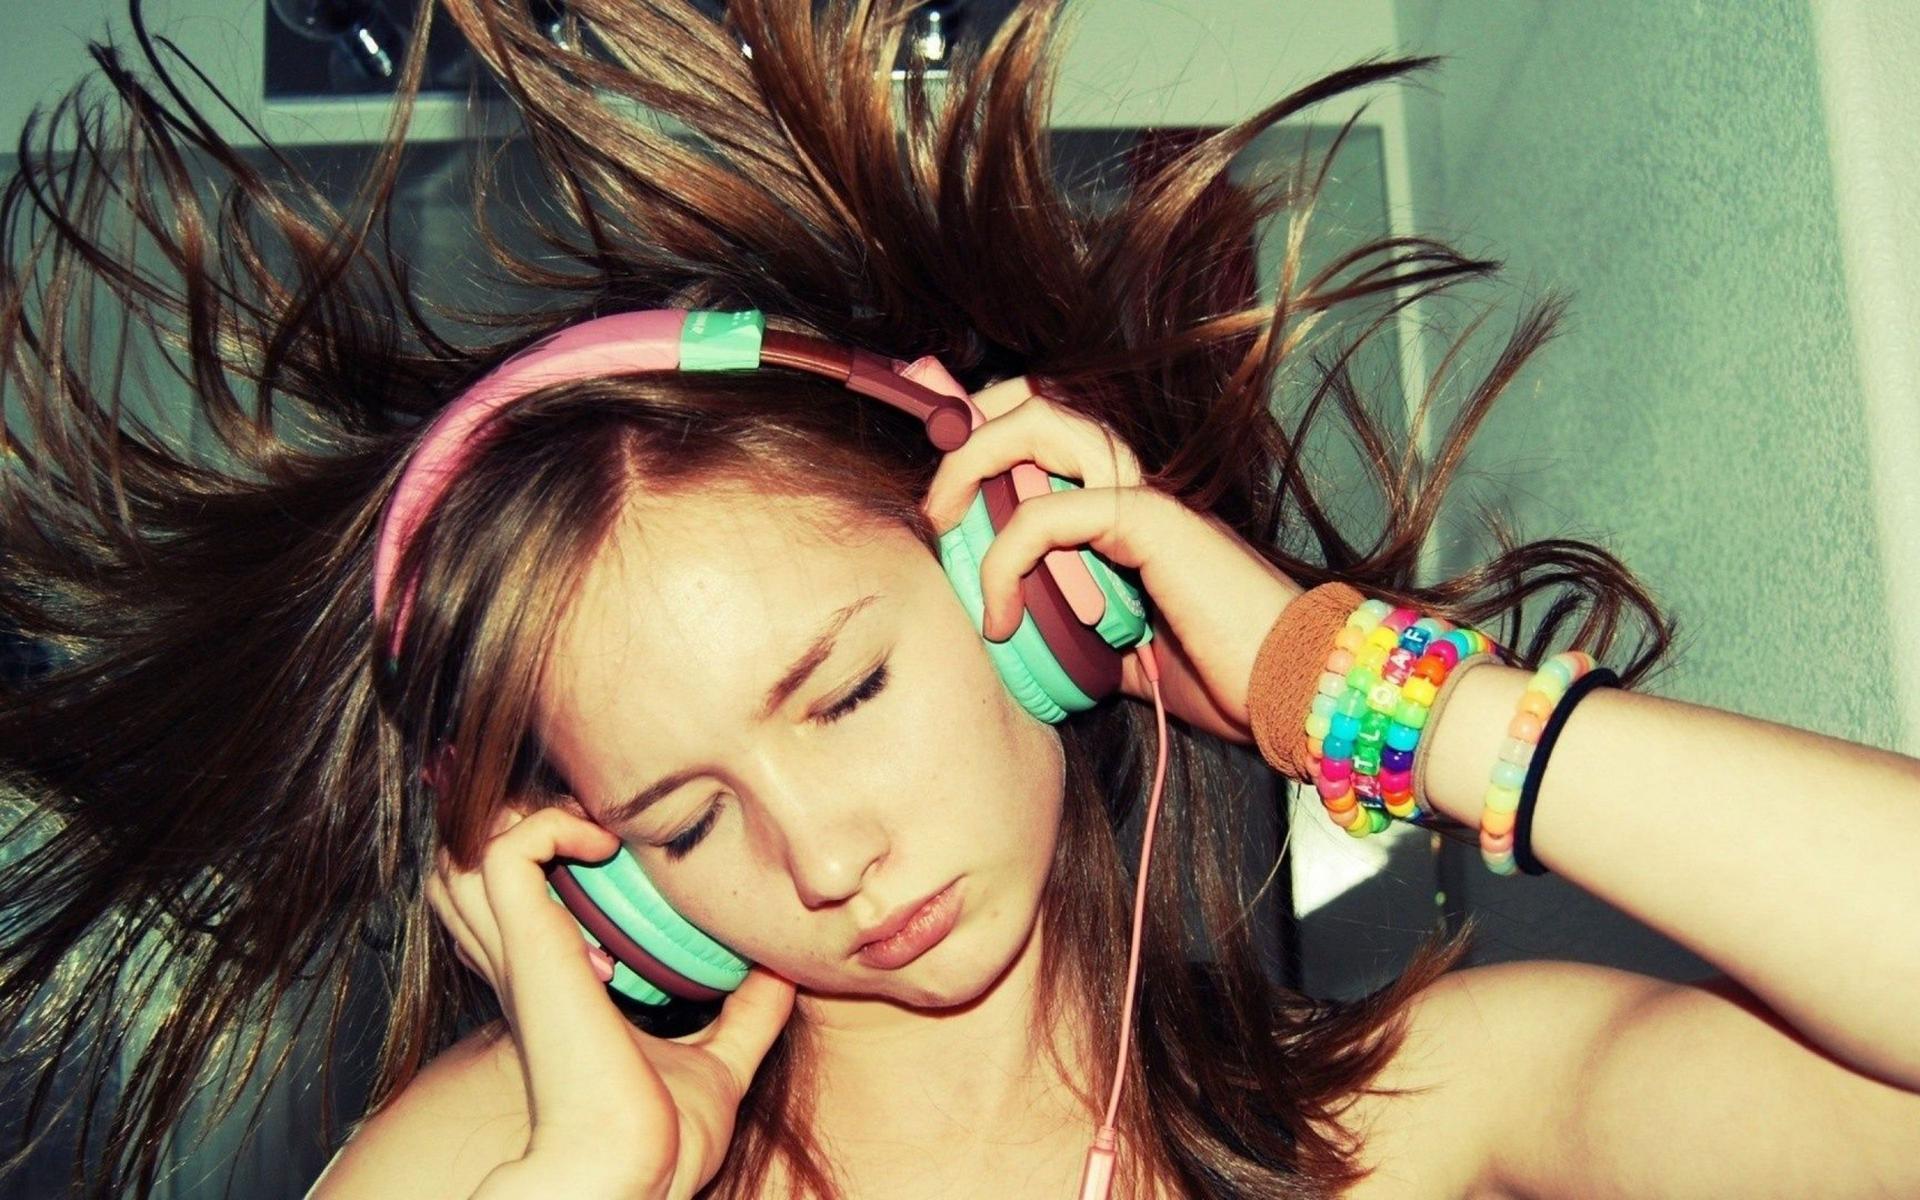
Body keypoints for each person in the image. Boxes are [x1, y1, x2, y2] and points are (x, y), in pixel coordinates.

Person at [2, 1, 1916, 1198]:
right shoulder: (503, 1167)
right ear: (614, 895)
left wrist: (1342, 684)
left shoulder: (1415, 1116)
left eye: (841, 695)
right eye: (685, 818)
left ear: (1031, 595)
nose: (824, 856)